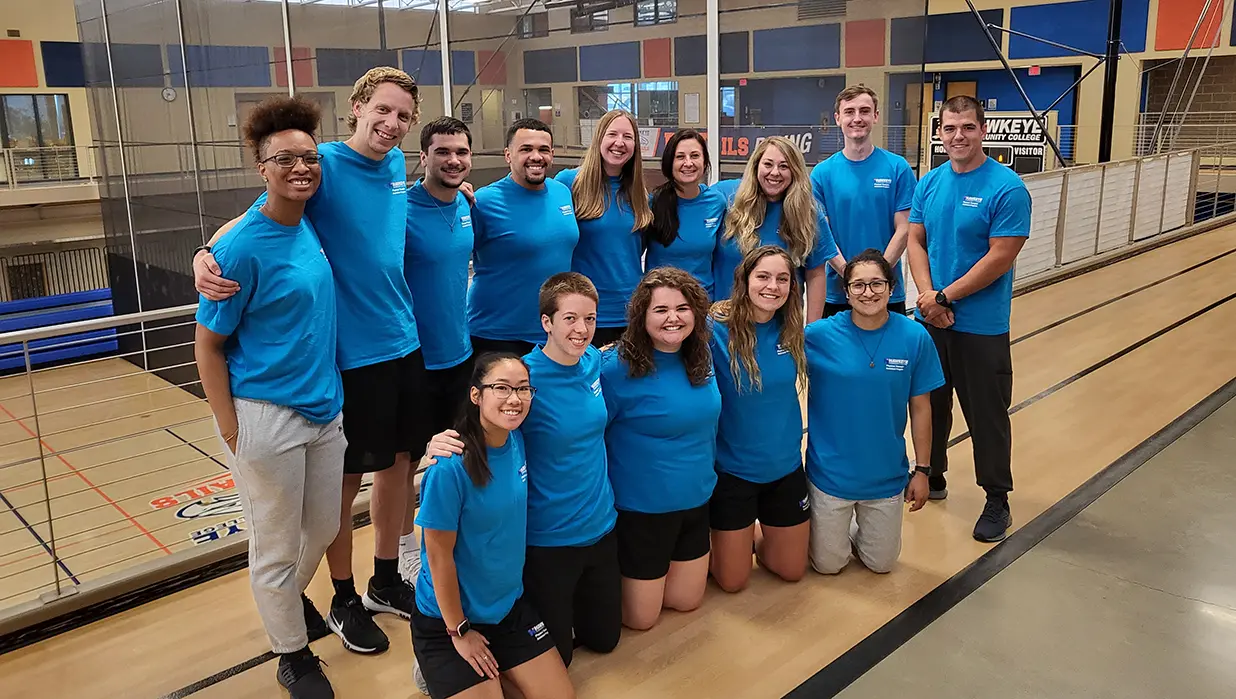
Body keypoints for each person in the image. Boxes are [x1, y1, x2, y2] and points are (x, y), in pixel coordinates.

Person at [192, 67, 427, 655]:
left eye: (403, 115)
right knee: (343, 488)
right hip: (349, 356)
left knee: (399, 464)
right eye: (382, 110)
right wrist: (206, 252)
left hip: (403, 342)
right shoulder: (321, 163)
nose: (391, 123)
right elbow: (259, 214)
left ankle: (382, 580)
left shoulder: (397, 165)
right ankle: (341, 597)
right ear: (357, 107)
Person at [194, 95, 344, 699]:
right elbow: (207, 346)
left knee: (323, 527)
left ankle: (286, 599)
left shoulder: (308, 219)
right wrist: (233, 430)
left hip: (325, 410)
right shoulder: (240, 246)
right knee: (276, 546)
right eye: (285, 159)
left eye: (309, 157)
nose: (300, 168)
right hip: (265, 415)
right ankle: (292, 655)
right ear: (262, 167)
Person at [421, 273, 622, 668]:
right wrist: (438, 443)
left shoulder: (593, 362)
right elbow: (487, 417)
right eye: (569, 318)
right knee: (561, 659)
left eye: (590, 319)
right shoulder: (523, 379)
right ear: (546, 322)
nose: (582, 330)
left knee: (605, 640)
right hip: (550, 539)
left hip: (602, 526)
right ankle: (443, 653)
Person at [412, 352, 576, 699]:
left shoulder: (515, 438)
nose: (514, 399)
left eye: (523, 389)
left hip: (507, 609)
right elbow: (438, 557)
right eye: (501, 388)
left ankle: (489, 675)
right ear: (476, 394)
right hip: (451, 620)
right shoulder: (449, 467)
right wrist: (459, 631)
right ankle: (435, 667)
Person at [907, 95, 1031, 543]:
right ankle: (933, 475)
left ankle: (997, 498)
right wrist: (928, 298)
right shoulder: (930, 183)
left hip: (981, 326)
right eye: (949, 128)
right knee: (931, 403)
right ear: (939, 132)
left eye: (967, 127)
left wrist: (945, 296)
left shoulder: (1007, 188)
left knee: (987, 415)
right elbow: (916, 241)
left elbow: (1001, 256)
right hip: (932, 319)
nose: (958, 136)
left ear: (983, 129)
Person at [803, 249, 941, 575]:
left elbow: (921, 408)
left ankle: (853, 531)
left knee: (881, 564)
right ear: (846, 291)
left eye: (877, 283)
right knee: (828, 565)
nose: (868, 292)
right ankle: (828, 532)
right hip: (830, 477)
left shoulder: (915, 337)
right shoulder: (818, 337)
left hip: (885, 477)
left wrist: (922, 471)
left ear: (891, 288)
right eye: (859, 285)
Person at [600, 267, 721, 631]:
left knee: (686, 602)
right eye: (661, 310)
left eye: (682, 308)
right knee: (642, 620)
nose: (673, 318)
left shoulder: (701, 356)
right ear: (642, 315)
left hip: (696, 501)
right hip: (643, 511)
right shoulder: (615, 368)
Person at [707, 246, 811, 593]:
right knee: (733, 582)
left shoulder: (791, 328)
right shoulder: (715, 329)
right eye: (763, 277)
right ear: (745, 279)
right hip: (733, 472)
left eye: (782, 279)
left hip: (784, 468)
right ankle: (731, 537)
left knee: (792, 570)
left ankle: (753, 535)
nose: (772, 286)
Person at [400, 116, 476, 583]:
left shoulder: (467, 202)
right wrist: (208, 250)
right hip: (412, 360)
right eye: (442, 152)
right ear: (423, 156)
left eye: (461, 152)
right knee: (405, 464)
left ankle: (444, 543)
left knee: (451, 458)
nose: (453, 160)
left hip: (460, 356)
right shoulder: (400, 208)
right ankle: (403, 550)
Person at [468, 119, 580, 357]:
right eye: (526, 149)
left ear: (552, 154)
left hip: (552, 334)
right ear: (508, 155)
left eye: (543, 150)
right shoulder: (483, 201)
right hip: (497, 336)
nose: (536, 157)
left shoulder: (562, 193)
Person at [810, 85, 917, 320]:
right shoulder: (821, 174)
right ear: (838, 118)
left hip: (887, 292)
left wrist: (877, 278)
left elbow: (904, 228)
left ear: (875, 116)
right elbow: (821, 234)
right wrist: (850, 277)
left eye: (864, 111)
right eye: (849, 112)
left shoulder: (897, 168)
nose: (857, 118)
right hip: (838, 293)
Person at [555, 110, 653, 346]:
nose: (619, 143)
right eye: (612, 134)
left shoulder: (640, 195)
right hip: (583, 312)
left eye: (628, 137)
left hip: (630, 311)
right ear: (599, 138)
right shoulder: (569, 183)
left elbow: (634, 249)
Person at [713, 136, 843, 307]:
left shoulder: (808, 213)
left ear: (795, 171)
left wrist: (813, 324)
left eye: (784, 166)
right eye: (768, 164)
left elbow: (816, 275)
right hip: (727, 317)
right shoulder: (726, 197)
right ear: (756, 166)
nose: (775, 172)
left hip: (783, 319)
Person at [644, 129, 728, 298]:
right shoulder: (653, 204)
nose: (688, 163)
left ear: (705, 161)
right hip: (660, 301)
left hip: (702, 302)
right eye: (680, 157)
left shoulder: (717, 203)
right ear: (670, 163)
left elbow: (721, 258)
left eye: (695, 156)